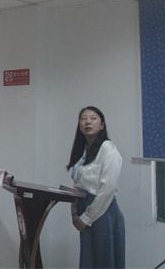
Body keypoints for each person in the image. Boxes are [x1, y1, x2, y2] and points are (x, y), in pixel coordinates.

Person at [67, 106, 125, 268]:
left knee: (102, 261)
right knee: (89, 261)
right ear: (79, 125)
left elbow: (108, 188)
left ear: (102, 125)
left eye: (93, 118)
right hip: (85, 210)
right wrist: (74, 213)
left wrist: (86, 218)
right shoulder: (84, 151)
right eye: (83, 118)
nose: (88, 122)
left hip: (102, 212)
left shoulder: (108, 148)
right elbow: (78, 184)